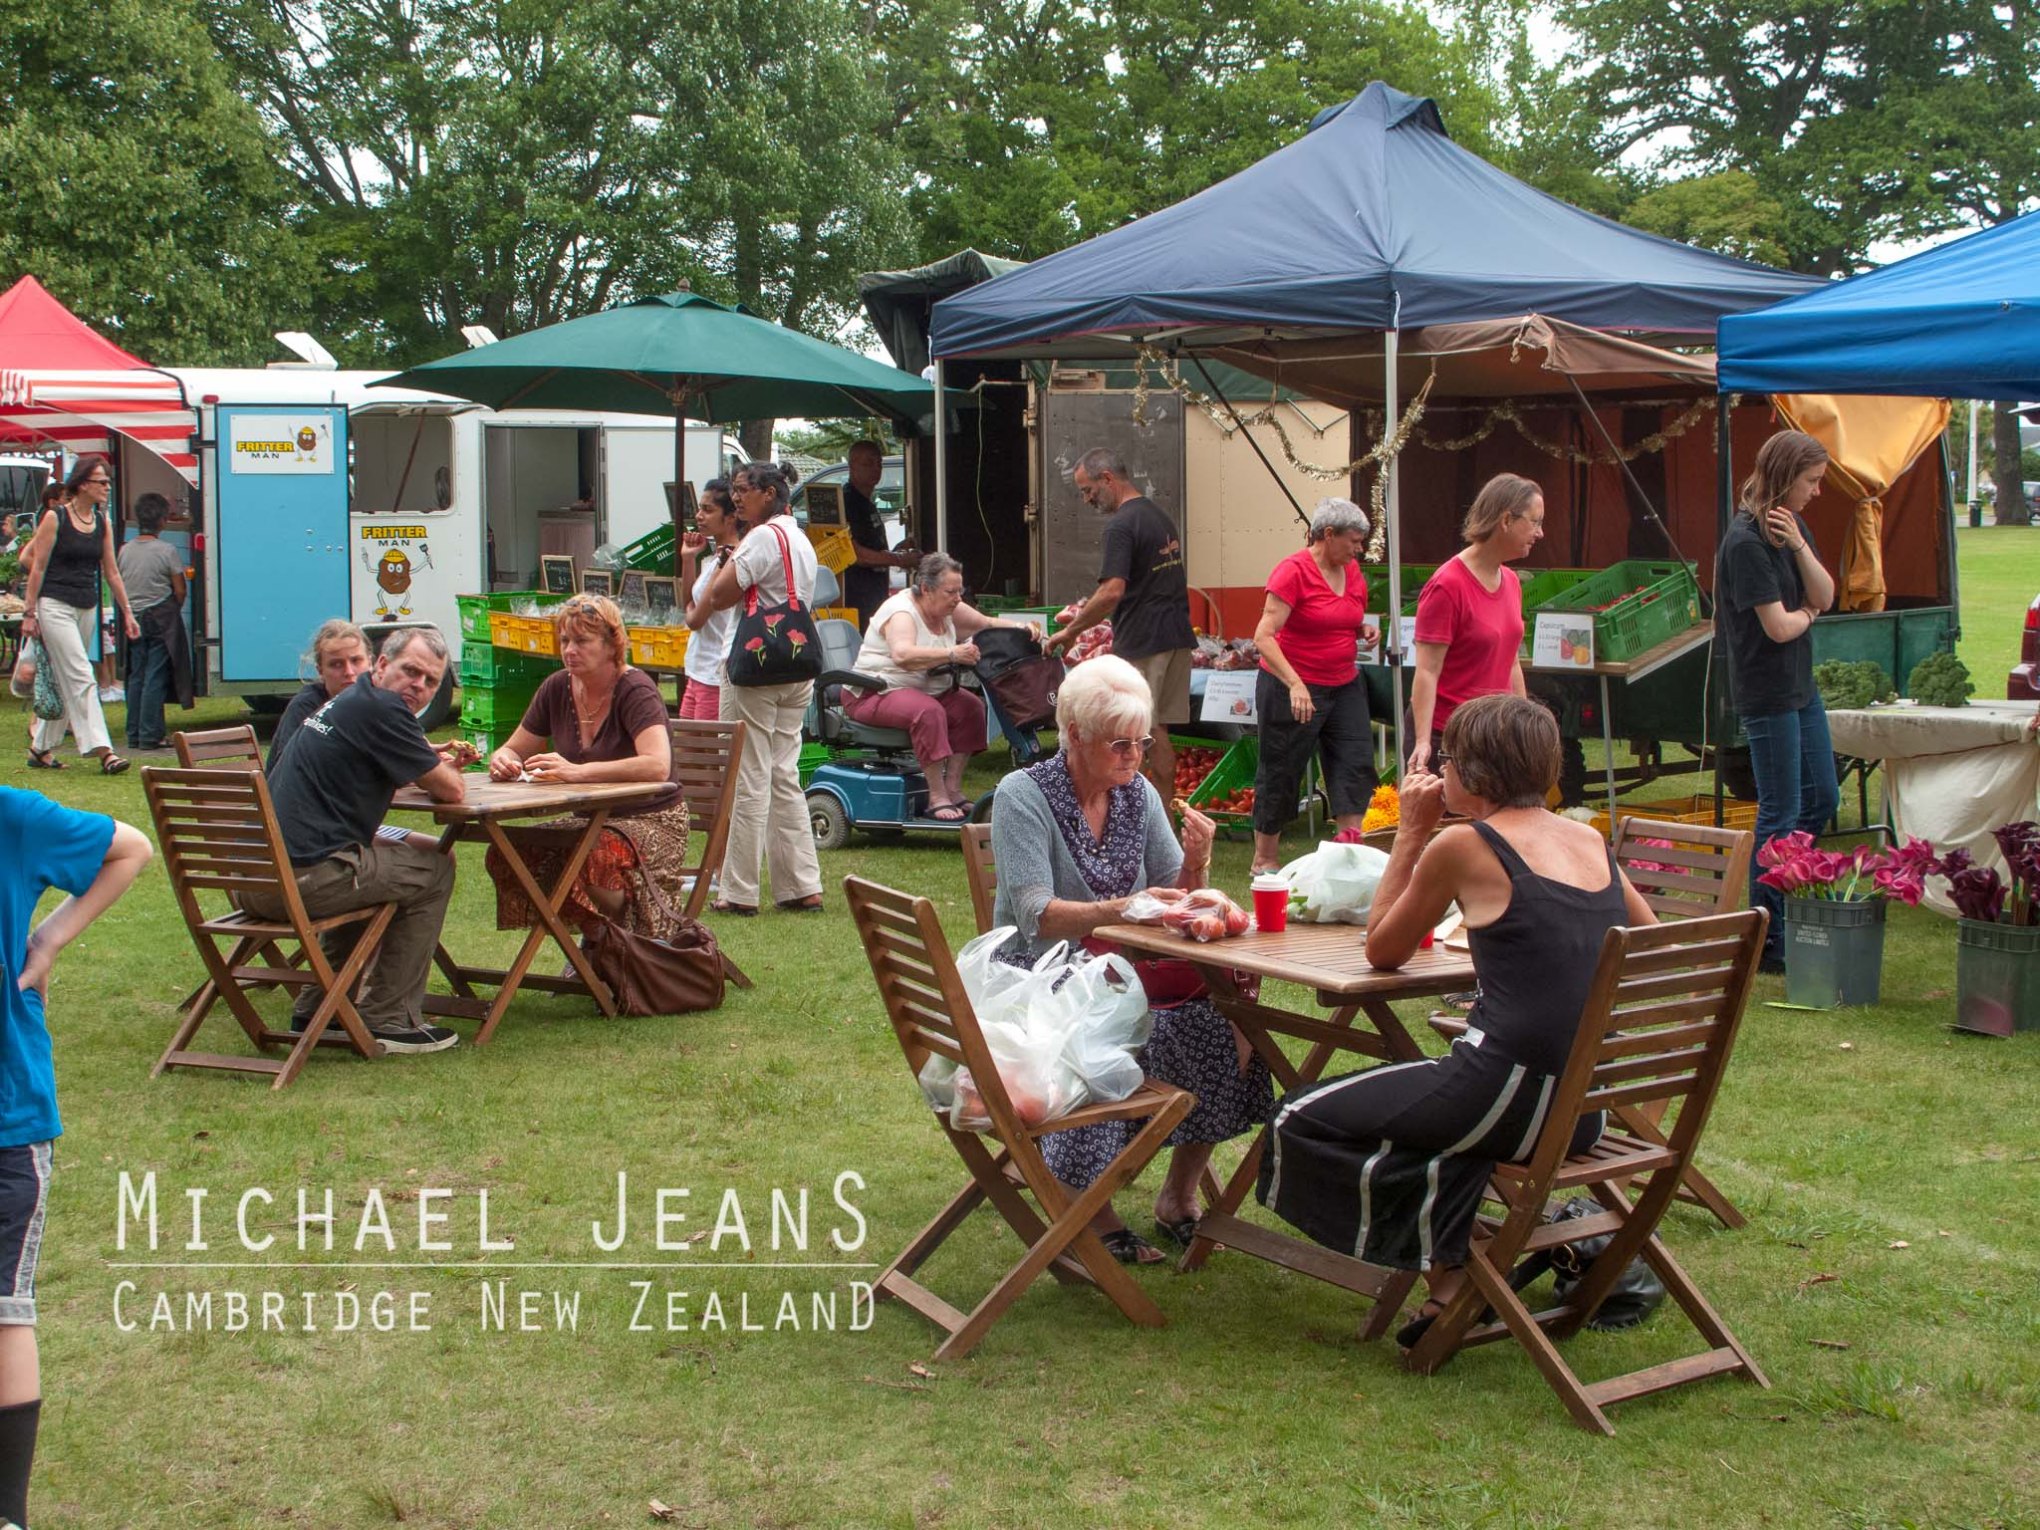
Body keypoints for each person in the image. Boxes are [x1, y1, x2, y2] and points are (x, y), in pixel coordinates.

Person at [1257, 694, 1656, 1343]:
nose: (1439, 772)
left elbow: (1383, 950)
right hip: (1584, 1108)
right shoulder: (1587, 839)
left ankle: (1470, 1266)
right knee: (1439, 1132)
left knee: (1296, 1118)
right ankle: (1454, 1280)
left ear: (1474, 769)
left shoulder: (1465, 845)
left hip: (1508, 1100)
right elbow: (1650, 942)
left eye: (1446, 759)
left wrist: (1414, 832)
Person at [990, 655, 1272, 1264]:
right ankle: (1091, 1209)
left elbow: (1172, 888)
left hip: (1121, 976)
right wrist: (1126, 908)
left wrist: (1197, 864)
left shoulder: (1137, 793)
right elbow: (1035, 913)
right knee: (1113, 1044)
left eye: (1141, 742)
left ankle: (1178, 1195)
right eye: (1118, 743)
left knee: (1231, 1024)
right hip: (1042, 980)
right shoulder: (1022, 795)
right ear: (1074, 736)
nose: (1133, 756)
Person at [0, 786, 151, 1530]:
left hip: (6, 1113)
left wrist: (50, 940)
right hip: (10, 1109)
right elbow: (130, 847)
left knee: (3, 1309)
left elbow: (130, 849)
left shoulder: (9, 814)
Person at [255, 626, 468, 1053]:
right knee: (434, 869)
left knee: (366, 863)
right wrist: (442, 768)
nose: (419, 686)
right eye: (411, 671)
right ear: (382, 665)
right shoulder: (383, 708)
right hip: (298, 882)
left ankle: (320, 1008)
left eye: (431, 681)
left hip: (254, 880)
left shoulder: (351, 702)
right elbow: (452, 790)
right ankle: (389, 1017)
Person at [486, 594, 691, 939]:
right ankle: (598, 940)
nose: (569, 650)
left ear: (612, 645)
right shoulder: (556, 688)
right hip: (587, 816)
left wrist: (577, 772)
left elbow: (657, 766)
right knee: (510, 851)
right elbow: (512, 749)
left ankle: (604, 941)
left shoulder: (635, 689)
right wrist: (502, 760)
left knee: (591, 856)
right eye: (565, 640)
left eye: (582, 641)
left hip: (652, 819)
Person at [1716, 429, 1837, 973]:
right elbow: (1783, 625)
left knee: (1824, 799)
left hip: (1801, 690)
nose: (1817, 492)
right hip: (1767, 692)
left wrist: (1803, 546)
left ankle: (1789, 900)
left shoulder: (1790, 527)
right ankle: (1766, 936)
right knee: (1780, 809)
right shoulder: (1744, 543)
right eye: (1811, 481)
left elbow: (1826, 593)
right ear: (1787, 476)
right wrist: (1811, 614)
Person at [704, 460, 825, 915]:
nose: (736, 498)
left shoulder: (759, 538)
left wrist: (729, 559)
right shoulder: (802, 540)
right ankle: (801, 886)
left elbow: (719, 596)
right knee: (783, 773)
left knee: (748, 775)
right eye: (734, 491)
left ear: (770, 494)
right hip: (797, 665)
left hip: (754, 667)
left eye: (743, 491)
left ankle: (738, 891)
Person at [1044, 448, 1197, 797]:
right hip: (1177, 636)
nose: (1086, 500)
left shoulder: (1121, 526)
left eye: (1088, 490)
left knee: (1132, 730)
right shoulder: (1159, 517)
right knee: (1157, 730)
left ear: (1108, 479)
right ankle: (1163, 827)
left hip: (1145, 640)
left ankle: (1142, 822)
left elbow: (1111, 591)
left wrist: (1070, 631)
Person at [845, 553, 1039, 821]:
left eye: (960, 590)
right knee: (928, 712)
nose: (958, 598)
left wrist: (1024, 628)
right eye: (951, 591)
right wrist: (951, 654)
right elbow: (902, 654)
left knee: (971, 707)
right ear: (926, 589)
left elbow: (987, 623)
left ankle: (953, 790)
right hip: (873, 694)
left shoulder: (949, 608)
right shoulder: (902, 612)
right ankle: (936, 796)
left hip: (926, 690)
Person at [1250, 497, 1381, 873]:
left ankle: (1349, 852)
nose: (1358, 550)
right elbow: (1264, 635)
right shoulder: (1292, 572)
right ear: (1327, 534)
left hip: (1344, 684)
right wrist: (1295, 684)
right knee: (1282, 768)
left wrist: (1362, 629)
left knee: (1355, 762)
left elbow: (1341, 616)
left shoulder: (1351, 571)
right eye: (1353, 541)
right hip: (1290, 684)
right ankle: (1266, 859)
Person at [1405, 473, 1544, 773]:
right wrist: (1422, 741)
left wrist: (1522, 725)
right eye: (1535, 522)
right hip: (1451, 737)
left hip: (1496, 734)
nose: (1540, 532)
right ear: (1506, 520)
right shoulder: (1447, 585)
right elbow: (1427, 671)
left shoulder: (1510, 581)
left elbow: (1511, 662)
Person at [18, 455, 139, 774]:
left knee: (62, 678)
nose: (106, 487)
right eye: (101, 482)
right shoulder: (55, 518)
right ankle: (104, 751)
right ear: (83, 484)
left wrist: (127, 612)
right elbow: (37, 566)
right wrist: (30, 613)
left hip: (86, 605)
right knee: (81, 675)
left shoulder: (102, 522)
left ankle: (40, 748)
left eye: (108, 482)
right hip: (53, 605)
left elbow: (112, 572)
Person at [115, 492, 188, 753]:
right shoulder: (167, 551)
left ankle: (133, 733)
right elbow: (179, 589)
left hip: (133, 617)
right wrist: (173, 609)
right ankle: (150, 735)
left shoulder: (124, 550)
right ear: (163, 521)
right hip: (160, 617)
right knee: (155, 676)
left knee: (136, 676)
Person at [678, 478, 742, 722]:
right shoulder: (716, 557)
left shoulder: (729, 558)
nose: (699, 516)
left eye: (708, 510)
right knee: (687, 753)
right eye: (699, 509)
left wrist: (691, 610)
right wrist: (688, 559)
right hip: (698, 671)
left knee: (704, 757)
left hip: (714, 675)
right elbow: (688, 601)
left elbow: (694, 619)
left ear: (730, 517)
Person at [269, 619, 373, 771]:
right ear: (320, 671)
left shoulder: (380, 701)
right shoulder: (306, 707)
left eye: (356, 661)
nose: (349, 672)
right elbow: (288, 770)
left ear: (370, 663)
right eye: (336, 664)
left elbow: (418, 765)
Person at [840, 439, 916, 628]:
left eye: (879, 463)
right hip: (857, 596)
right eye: (868, 463)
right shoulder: (848, 502)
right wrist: (898, 559)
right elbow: (854, 553)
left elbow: (873, 549)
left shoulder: (867, 502)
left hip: (875, 592)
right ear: (852, 466)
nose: (876, 469)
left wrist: (898, 550)